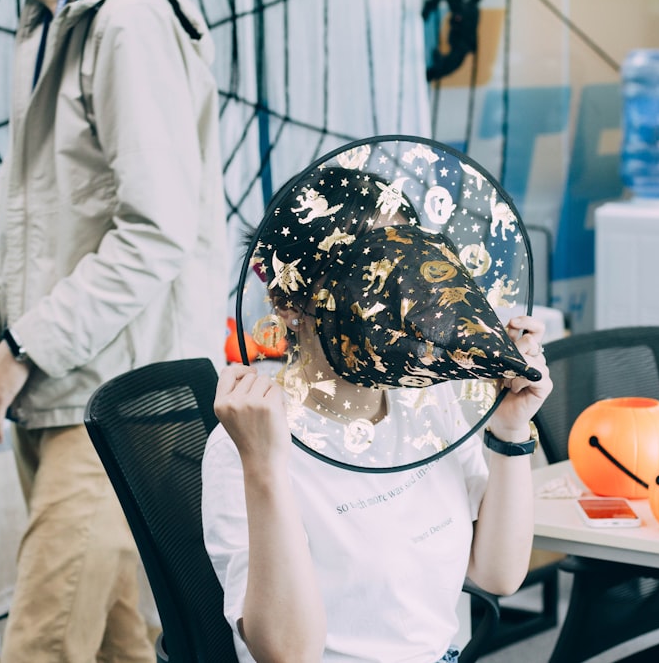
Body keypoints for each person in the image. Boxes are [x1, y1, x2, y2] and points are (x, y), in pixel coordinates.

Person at [0, 0, 227, 660]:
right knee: (117, 648)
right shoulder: (42, 22)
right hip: (53, 388)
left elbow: (158, 231)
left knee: (40, 643)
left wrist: (21, 348)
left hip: (119, 392)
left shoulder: (128, 20)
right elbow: (14, 215)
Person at [202, 152, 553, 663]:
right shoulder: (248, 442)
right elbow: (288, 655)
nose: (396, 297)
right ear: (290, 302)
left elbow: (497, 574)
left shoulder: (426, 396)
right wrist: (264, 468)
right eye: (367, 273)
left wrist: (509, 431)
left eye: (402, 267)